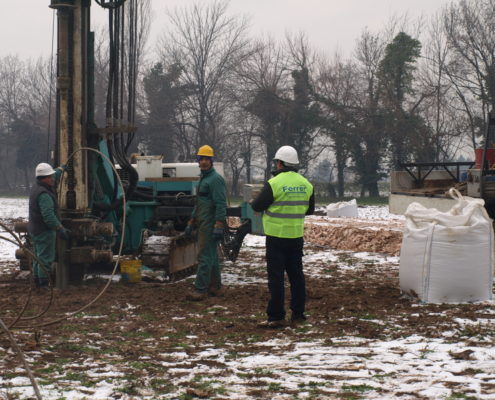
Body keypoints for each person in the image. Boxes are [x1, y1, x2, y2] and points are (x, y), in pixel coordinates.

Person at [250, 145, 314, 328]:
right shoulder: (307, 184)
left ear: (279, 163)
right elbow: (309, 210)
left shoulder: (274, 183)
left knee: (276, 278)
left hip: (276, 237)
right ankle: (298, 314)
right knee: (296, 276)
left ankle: (276, 316)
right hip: (296, 236)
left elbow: (257, 206)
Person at [185, 145, 227, 301]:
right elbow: (199, 202)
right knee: (212, 255)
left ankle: (200, 289)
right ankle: (216, 287)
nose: (203, 162)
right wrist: (191, 221)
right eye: (201, 159)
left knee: (204, 256)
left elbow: (221, 204)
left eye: (206, 159)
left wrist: (219, 224)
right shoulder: (203, 178)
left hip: (210, 224)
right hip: (203, 222)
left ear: (211, 161)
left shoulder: (215, 180)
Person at [28, 162, 70, 288]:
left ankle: (37, 282)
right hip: (44, 230)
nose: (53, 178)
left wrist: (60, 169)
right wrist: (60, 228)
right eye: (50, 176)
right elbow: (48, 216)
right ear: (45, 178)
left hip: (35, 229)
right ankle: (43, 285)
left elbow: (54, 176)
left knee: (37, 257)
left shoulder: (37, 187)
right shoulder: (44, 195)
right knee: (45, 258)